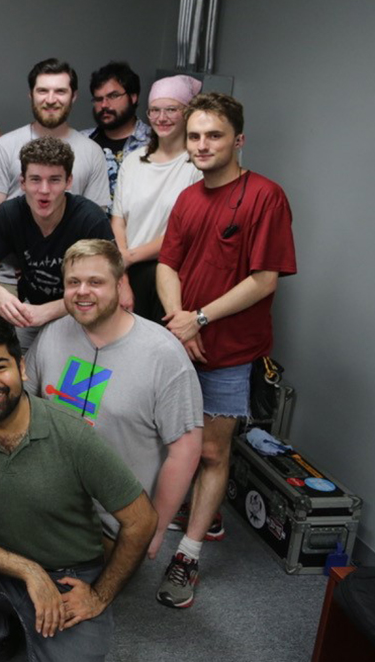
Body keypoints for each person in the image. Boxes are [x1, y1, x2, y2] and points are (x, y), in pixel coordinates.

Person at [0, 316, 156, 662]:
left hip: (68, 574)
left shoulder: (72, 434)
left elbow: (142, 519)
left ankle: (33, 618)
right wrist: (28, 570)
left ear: (22, 368)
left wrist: (99, 595)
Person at [155, 92, 296, 609]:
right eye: (194, 136)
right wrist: (179, 321)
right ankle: (200, 512)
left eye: (213, 135)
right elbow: (168, 265)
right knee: (175, 441)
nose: (202, 144)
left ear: (238, 139)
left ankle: (188, 555)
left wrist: (202, 317)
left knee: (213, 451)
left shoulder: (265, 196)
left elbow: (264, 280)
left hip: (230, 350)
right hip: (180, 342)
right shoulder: (189, 198)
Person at [26, 240, 202, 556]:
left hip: (115, 524)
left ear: (121, 285)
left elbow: (185, 451)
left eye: (96, 282)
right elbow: (24, 408)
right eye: (73, 282)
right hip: (51, 505)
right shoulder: (53, 334)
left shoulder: (164, 355)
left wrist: (155, 528)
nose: (82, 291)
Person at [0, 138, 120, 349]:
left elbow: (110, 287)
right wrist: (0, 295)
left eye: (54, 180)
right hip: (32, 312)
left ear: (69, 182)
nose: (44, 189)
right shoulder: (10, 213)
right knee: (17, 363)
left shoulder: (89, 219)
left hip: (87, 311)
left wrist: (47, 311)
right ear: (22, 182)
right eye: (35, 179)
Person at [111, 75, 203, 322]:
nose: (162, 118)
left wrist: (127, 258)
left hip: (172, 276)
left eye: (171, 109)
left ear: (188, 112)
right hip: (128, 275)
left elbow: (185, 233)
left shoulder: (197, 165)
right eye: (155, 111)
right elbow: (118, 220)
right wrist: (123, 278)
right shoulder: (133, 161)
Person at [0, 59, 110, 224]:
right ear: (31, 94)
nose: (50, 99)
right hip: (13, 248)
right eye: (42, 91)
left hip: (71, 249)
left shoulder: (92, 152)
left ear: (73, 96)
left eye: (60, 91)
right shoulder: (4, 146)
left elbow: (95, 221)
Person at [82, 62, 151, 199]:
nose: (104, 105)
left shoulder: (154, 143)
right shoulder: (82, 142)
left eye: (113, 96)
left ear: (133, 97)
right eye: (98, 99)